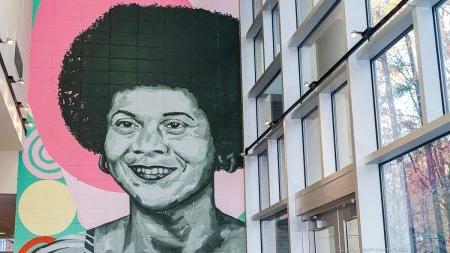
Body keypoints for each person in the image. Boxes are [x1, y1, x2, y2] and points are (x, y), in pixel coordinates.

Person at [35, 4, 244, 253]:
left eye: (175, 125)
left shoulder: (267, 243)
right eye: (126, 124)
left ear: (222, 145)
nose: (146, 146)